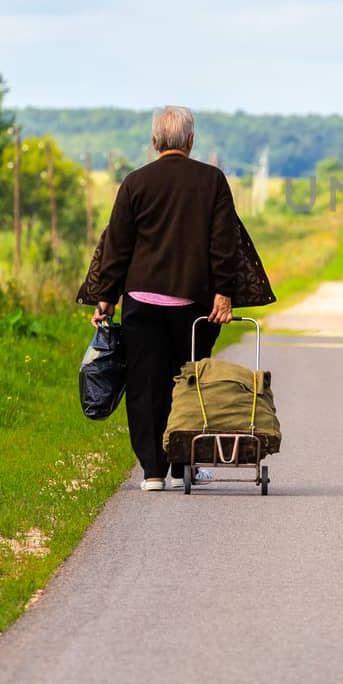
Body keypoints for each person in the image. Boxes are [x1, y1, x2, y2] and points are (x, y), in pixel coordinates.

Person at [77, 106, 275, 491]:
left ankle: (153, 470)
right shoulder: (211, 181)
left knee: (144, 384)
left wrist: (106, 299)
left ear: (154, 142)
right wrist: (224, 292)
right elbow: (224, 242)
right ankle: (186, 461)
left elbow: (117, 246)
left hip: (142, 302)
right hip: (194, 306)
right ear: (190, 141)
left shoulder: (135, 183)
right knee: (189, 381)